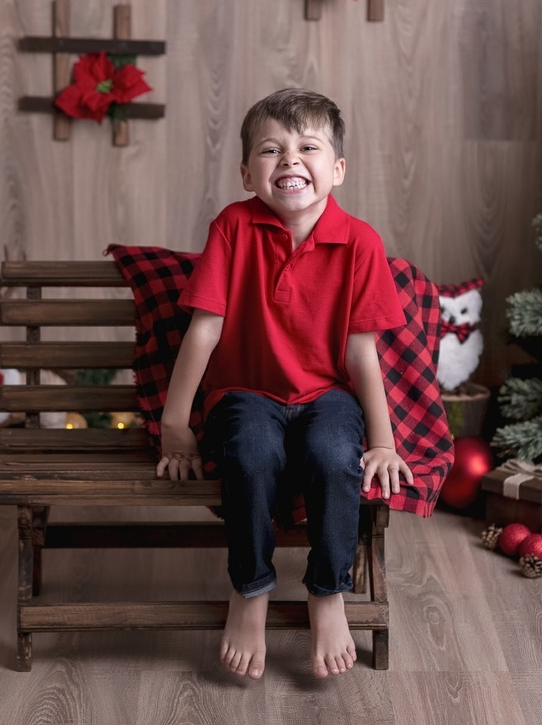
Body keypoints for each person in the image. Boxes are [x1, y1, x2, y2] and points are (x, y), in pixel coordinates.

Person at [156, 88, 413, 680]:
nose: (291, 160)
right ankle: (250, 590)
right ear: (248, 173)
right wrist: (175, 428)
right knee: (250, 452)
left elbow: (360, 353)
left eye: (308, 147)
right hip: (245, 393)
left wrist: (383, 441)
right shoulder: (233, 227)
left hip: (329, 397)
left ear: (337, 169)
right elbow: (204, 331)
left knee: (330, 454)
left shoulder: (360, 242)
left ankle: (328, 592)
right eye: (272, 150)